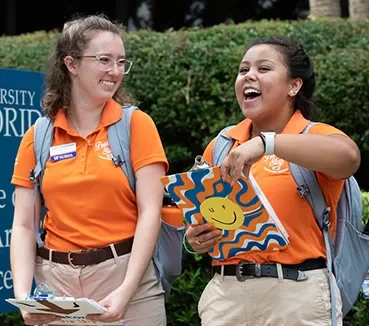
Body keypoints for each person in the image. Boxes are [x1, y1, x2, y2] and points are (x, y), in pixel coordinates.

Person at [185, 37, 361, 326]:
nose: (248, 76)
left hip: (297, 295)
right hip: (226, 297)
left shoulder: (313, 135)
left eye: (264, 68)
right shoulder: (221, 145)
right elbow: (210, 217)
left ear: (294, 85)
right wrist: (197, 238)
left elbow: (349, 158)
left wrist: (267, 144)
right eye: (243, 70)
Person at [10, 14, 168, 326]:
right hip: (56, 287)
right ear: (71, 64)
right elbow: (25, 226)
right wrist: (25, 297)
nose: (115, 71)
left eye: (121, 61)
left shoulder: (136, 124)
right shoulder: (39, 135)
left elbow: (152, 211)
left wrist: (126, 290)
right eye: (104, 60)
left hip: (127, 278)